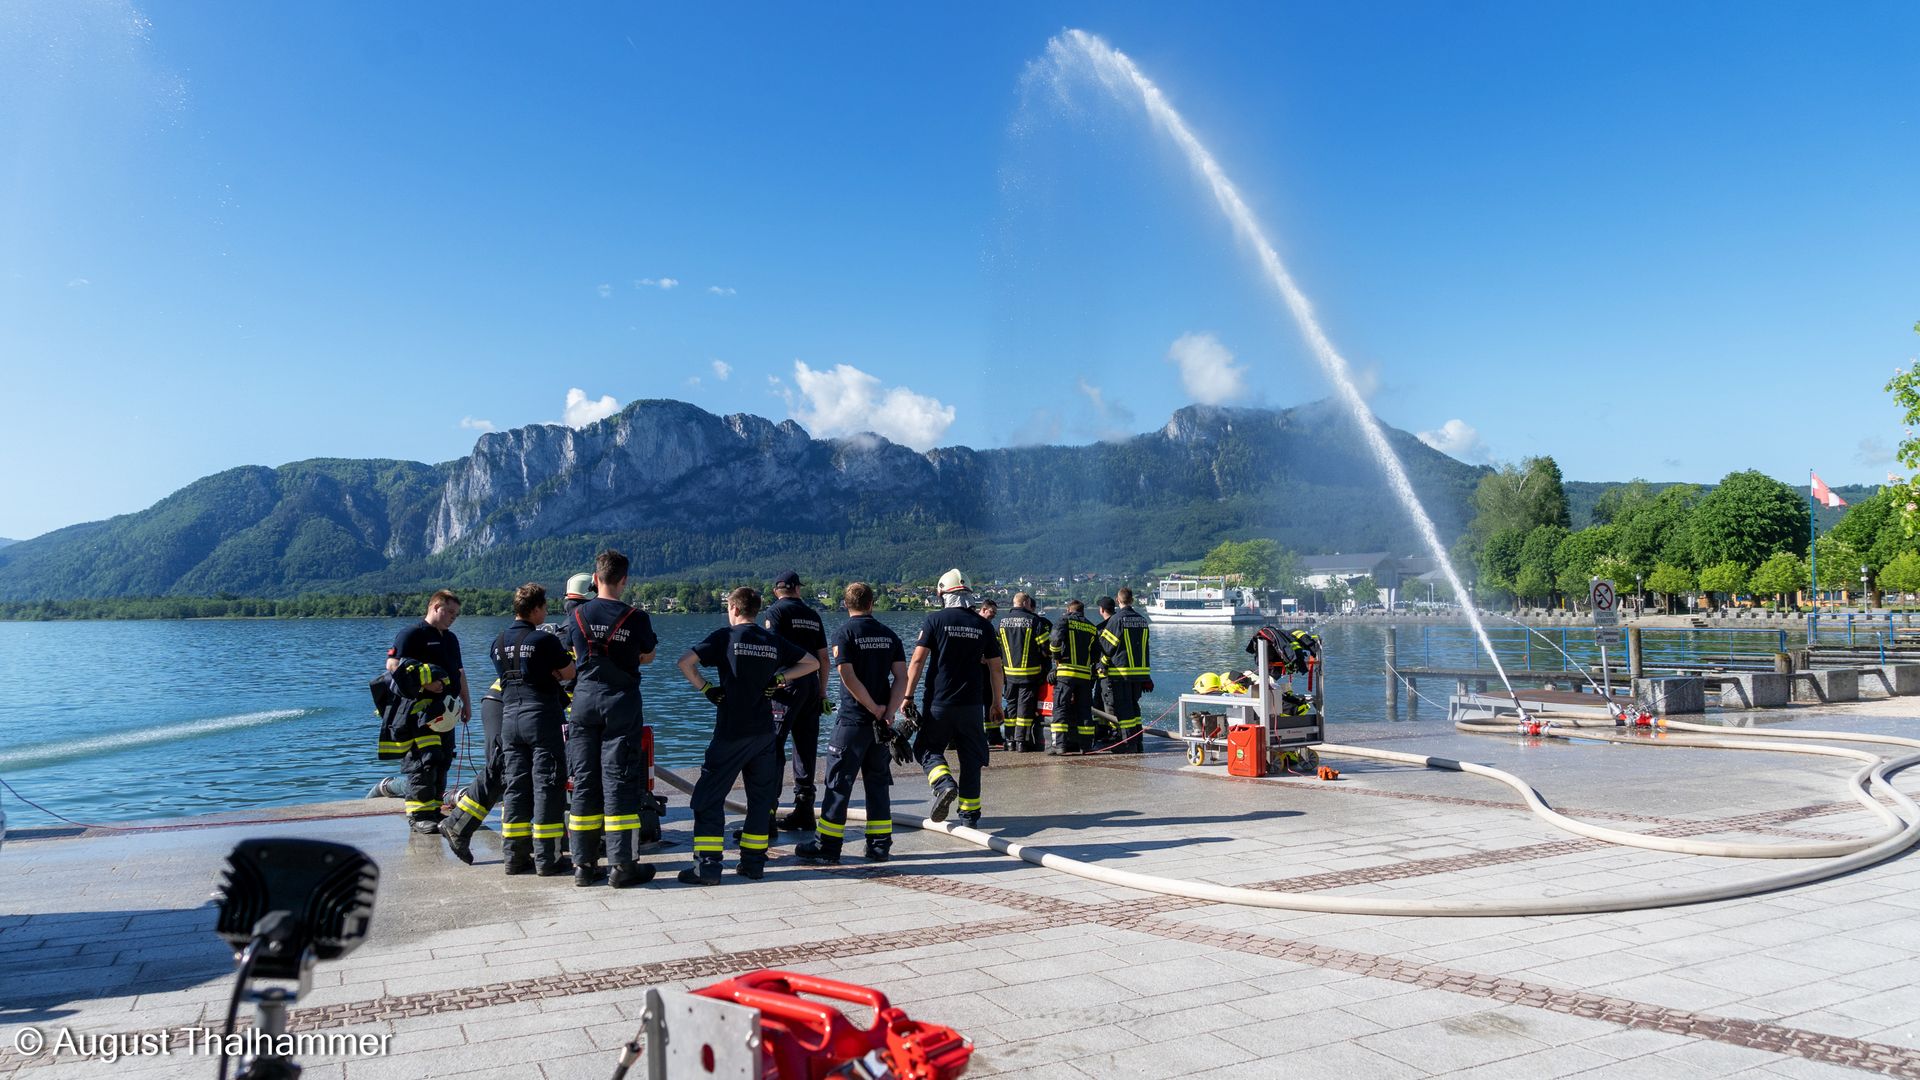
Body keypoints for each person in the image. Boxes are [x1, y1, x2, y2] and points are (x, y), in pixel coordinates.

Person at [442, 572, 593, 865]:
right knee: (507, 772)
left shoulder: (547, 633)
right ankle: (459, 824)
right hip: (513, 705)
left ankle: (512, 849)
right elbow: (568, 677)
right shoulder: (568, 636)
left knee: (514, 775)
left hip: (509, 705)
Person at [676, 587, 819, 885]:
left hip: (731, 731)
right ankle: (753, 864)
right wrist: (779, 678)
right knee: (760, 800)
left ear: (734, 608)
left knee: (708, 798)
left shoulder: (725, 637)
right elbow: (812, 663)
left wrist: (706, 688)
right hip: (764, 733)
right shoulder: (772, 640)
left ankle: (707, 868)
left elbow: (685, 662)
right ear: (756, 610)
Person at [564, 550, 660, 889]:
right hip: (620, 701)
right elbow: (648, 655)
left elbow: (572, 653)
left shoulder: (577, 615)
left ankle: (583, 865)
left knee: (584, 780)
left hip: (584, 701)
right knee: (619, 779)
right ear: (624, 580)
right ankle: (622, 865)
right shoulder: (636, 617)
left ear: (595, 578)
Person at [796, 583, 907, 865]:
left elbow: (847, 675)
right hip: (880, 726)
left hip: (853, 721)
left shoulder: (844, 633)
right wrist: (888, 711)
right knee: (878, 784)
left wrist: (871, 707)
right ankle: (879, 846)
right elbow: (902, 677)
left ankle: (828, 846)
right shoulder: (889, 635)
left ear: (845, 604)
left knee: (838, 784)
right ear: (872, 603)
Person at [900, 569, 1003, 827]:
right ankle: (969, 818)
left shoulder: (934, 620)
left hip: (940, 703)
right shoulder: (984, 625)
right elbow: (996, 668)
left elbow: (917, 660)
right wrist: (996, 703)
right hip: (972, 705)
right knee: (971, 758)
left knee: (926, 748)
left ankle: (943, 783)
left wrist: (907, 695)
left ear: (943, 594)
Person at [489, 584, 579, 877]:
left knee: (516, 786)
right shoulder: (544, 639)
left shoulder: (498, 642)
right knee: (547, 784)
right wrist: (551, 672)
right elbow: (569, 672)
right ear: (536, 608)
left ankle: (514, 857)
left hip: (510, 719)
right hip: (541, 717)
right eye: (545, 607)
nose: (546, 612)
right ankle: (547, 858)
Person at [385, 590, 471, 832]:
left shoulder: (451, 639)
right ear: (435, 607)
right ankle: (418, 815)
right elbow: (392, 665)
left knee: (443, 758)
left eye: (456, 614)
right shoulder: (412, 634)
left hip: (446, 711)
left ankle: (433, 809)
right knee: (424, 761)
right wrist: (425, 684)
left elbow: (460, 673)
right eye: (450, 612)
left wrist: (467, 703)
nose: (453, 617)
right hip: (419, 712)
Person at [762, 571, 831, 834]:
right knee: (805, 746)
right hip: (811, 685)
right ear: (797, 589)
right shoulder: (813, 615)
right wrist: (822, 692)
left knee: (774, 746)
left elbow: (771, 649)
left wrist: (767, 681)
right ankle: (804, 811)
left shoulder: (775, 613)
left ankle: (767, 816)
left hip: (784, 684)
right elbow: (824, 659)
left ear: (776, 591)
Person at [1095, 587, 1152, 754]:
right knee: (1135, 708)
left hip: (1121, 673)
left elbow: (1107, 647)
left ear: (1118, 600)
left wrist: (1101, 665)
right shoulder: (1142, 620)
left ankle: (1126, 743)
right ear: (1132, 600)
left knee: (1124, 710)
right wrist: (1146, 676)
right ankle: (1138, 742)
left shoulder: (1116, 620)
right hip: (1139, 674)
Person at [996, 593, 1051, 752]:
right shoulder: (1034, 621)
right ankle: (1021, 742)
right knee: (1024, 708)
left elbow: (997, 648)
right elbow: (1045, 647)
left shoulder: (1002, 622)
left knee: (1011, 706)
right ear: (1026, 602)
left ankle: (1010, 741)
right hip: (1029, 673)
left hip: (1009, 674)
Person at [1048, 600, 1100, 754]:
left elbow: (1055, 640)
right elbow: (1096, 654)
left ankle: (1059, 745)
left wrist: (1056, 657)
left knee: (1060, 708)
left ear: (1068, 609)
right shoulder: (1091, 627)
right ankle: (1086, 746)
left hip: (1066, 673)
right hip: (1084, 675)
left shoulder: (1064, 620)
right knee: (1084, 710)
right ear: (1083, 611)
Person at [1092, 596, 1117, 749]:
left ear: (1101, 610)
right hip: (1107, 673)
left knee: (1109, 704)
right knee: (1099, 702)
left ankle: (1113, 732)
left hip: (1106, 672)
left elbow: (1103, 651)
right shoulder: (1118, 623)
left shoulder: (1102, 628)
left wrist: (1099, 665)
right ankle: (1102, 730)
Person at [974, 599, 999, 747]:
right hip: (976, 672)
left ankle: (993, 736)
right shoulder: (973, 625)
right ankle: (978, 735)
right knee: (976, 705)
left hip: (988, 673)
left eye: (995, 613)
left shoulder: (989, 628)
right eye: (992, 612)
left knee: (990, 702)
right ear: (983, 609)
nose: (994, 615)